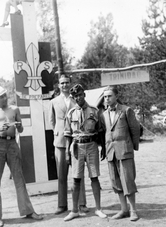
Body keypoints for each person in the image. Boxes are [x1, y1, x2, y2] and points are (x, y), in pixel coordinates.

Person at [0, 86, 43, 227]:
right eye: (1, 96)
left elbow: (20, 129)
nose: (5, 98)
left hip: (12, 145)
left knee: (19, 178)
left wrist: (19, 125)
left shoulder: (15, 109)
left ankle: (28, 211)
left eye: (5, 95)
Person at [63, 84, 107, 221]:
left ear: (84, 95)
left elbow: (100, 131)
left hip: (92, 145)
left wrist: (103, 148)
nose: (78, 98)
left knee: (94, 177)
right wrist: (66, 151)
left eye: (80, 94)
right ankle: (74, 210)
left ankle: (98, 209)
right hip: (76, 147)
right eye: (75, 96)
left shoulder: (94, 111)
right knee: (76, 179)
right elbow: (67, 134)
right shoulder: (70, 113)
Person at [48, 75, 88, 215]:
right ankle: (62, 205)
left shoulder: (76, 99)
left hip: (75, 140)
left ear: (70, 84)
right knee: (61, 174)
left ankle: (82, 203)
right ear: (58, 85)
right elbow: (52, 122)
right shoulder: (53, 102)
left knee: (78, 173)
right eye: (62, 83)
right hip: (60, 141)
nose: (64, 85)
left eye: (67, 83)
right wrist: (58, 133)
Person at [100, 85, 140, 222]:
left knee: (128, 181)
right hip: (111, 152)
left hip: (124, 151)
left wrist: (133, 147)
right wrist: (105, 150)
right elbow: (105, 132)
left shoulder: (126, 110)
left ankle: (133, 210)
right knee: (116, 182)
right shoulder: (103, 114)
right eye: (105, 97)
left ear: (116, 96)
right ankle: (124, 210)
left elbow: (135, 129)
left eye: (109, 96)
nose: (107, 99)